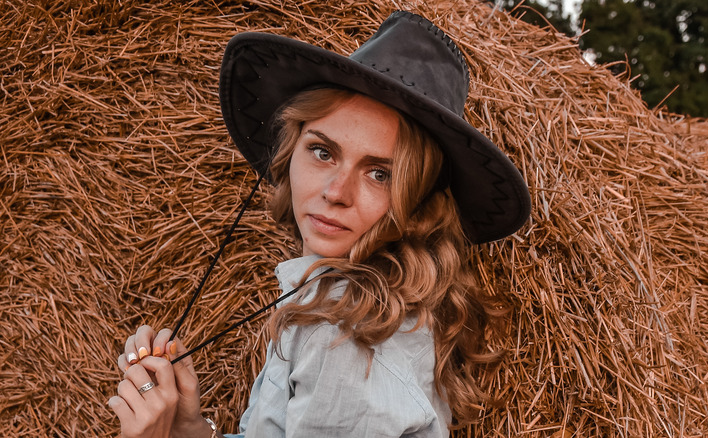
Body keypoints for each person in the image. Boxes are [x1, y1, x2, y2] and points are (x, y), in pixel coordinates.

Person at [108, 10, 531, 438]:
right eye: (323, 151)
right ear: (290, 152)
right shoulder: (355, 307)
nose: (335, 191)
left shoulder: (347, 337)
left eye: (379, 173)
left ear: (418, 205)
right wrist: (189, 428)